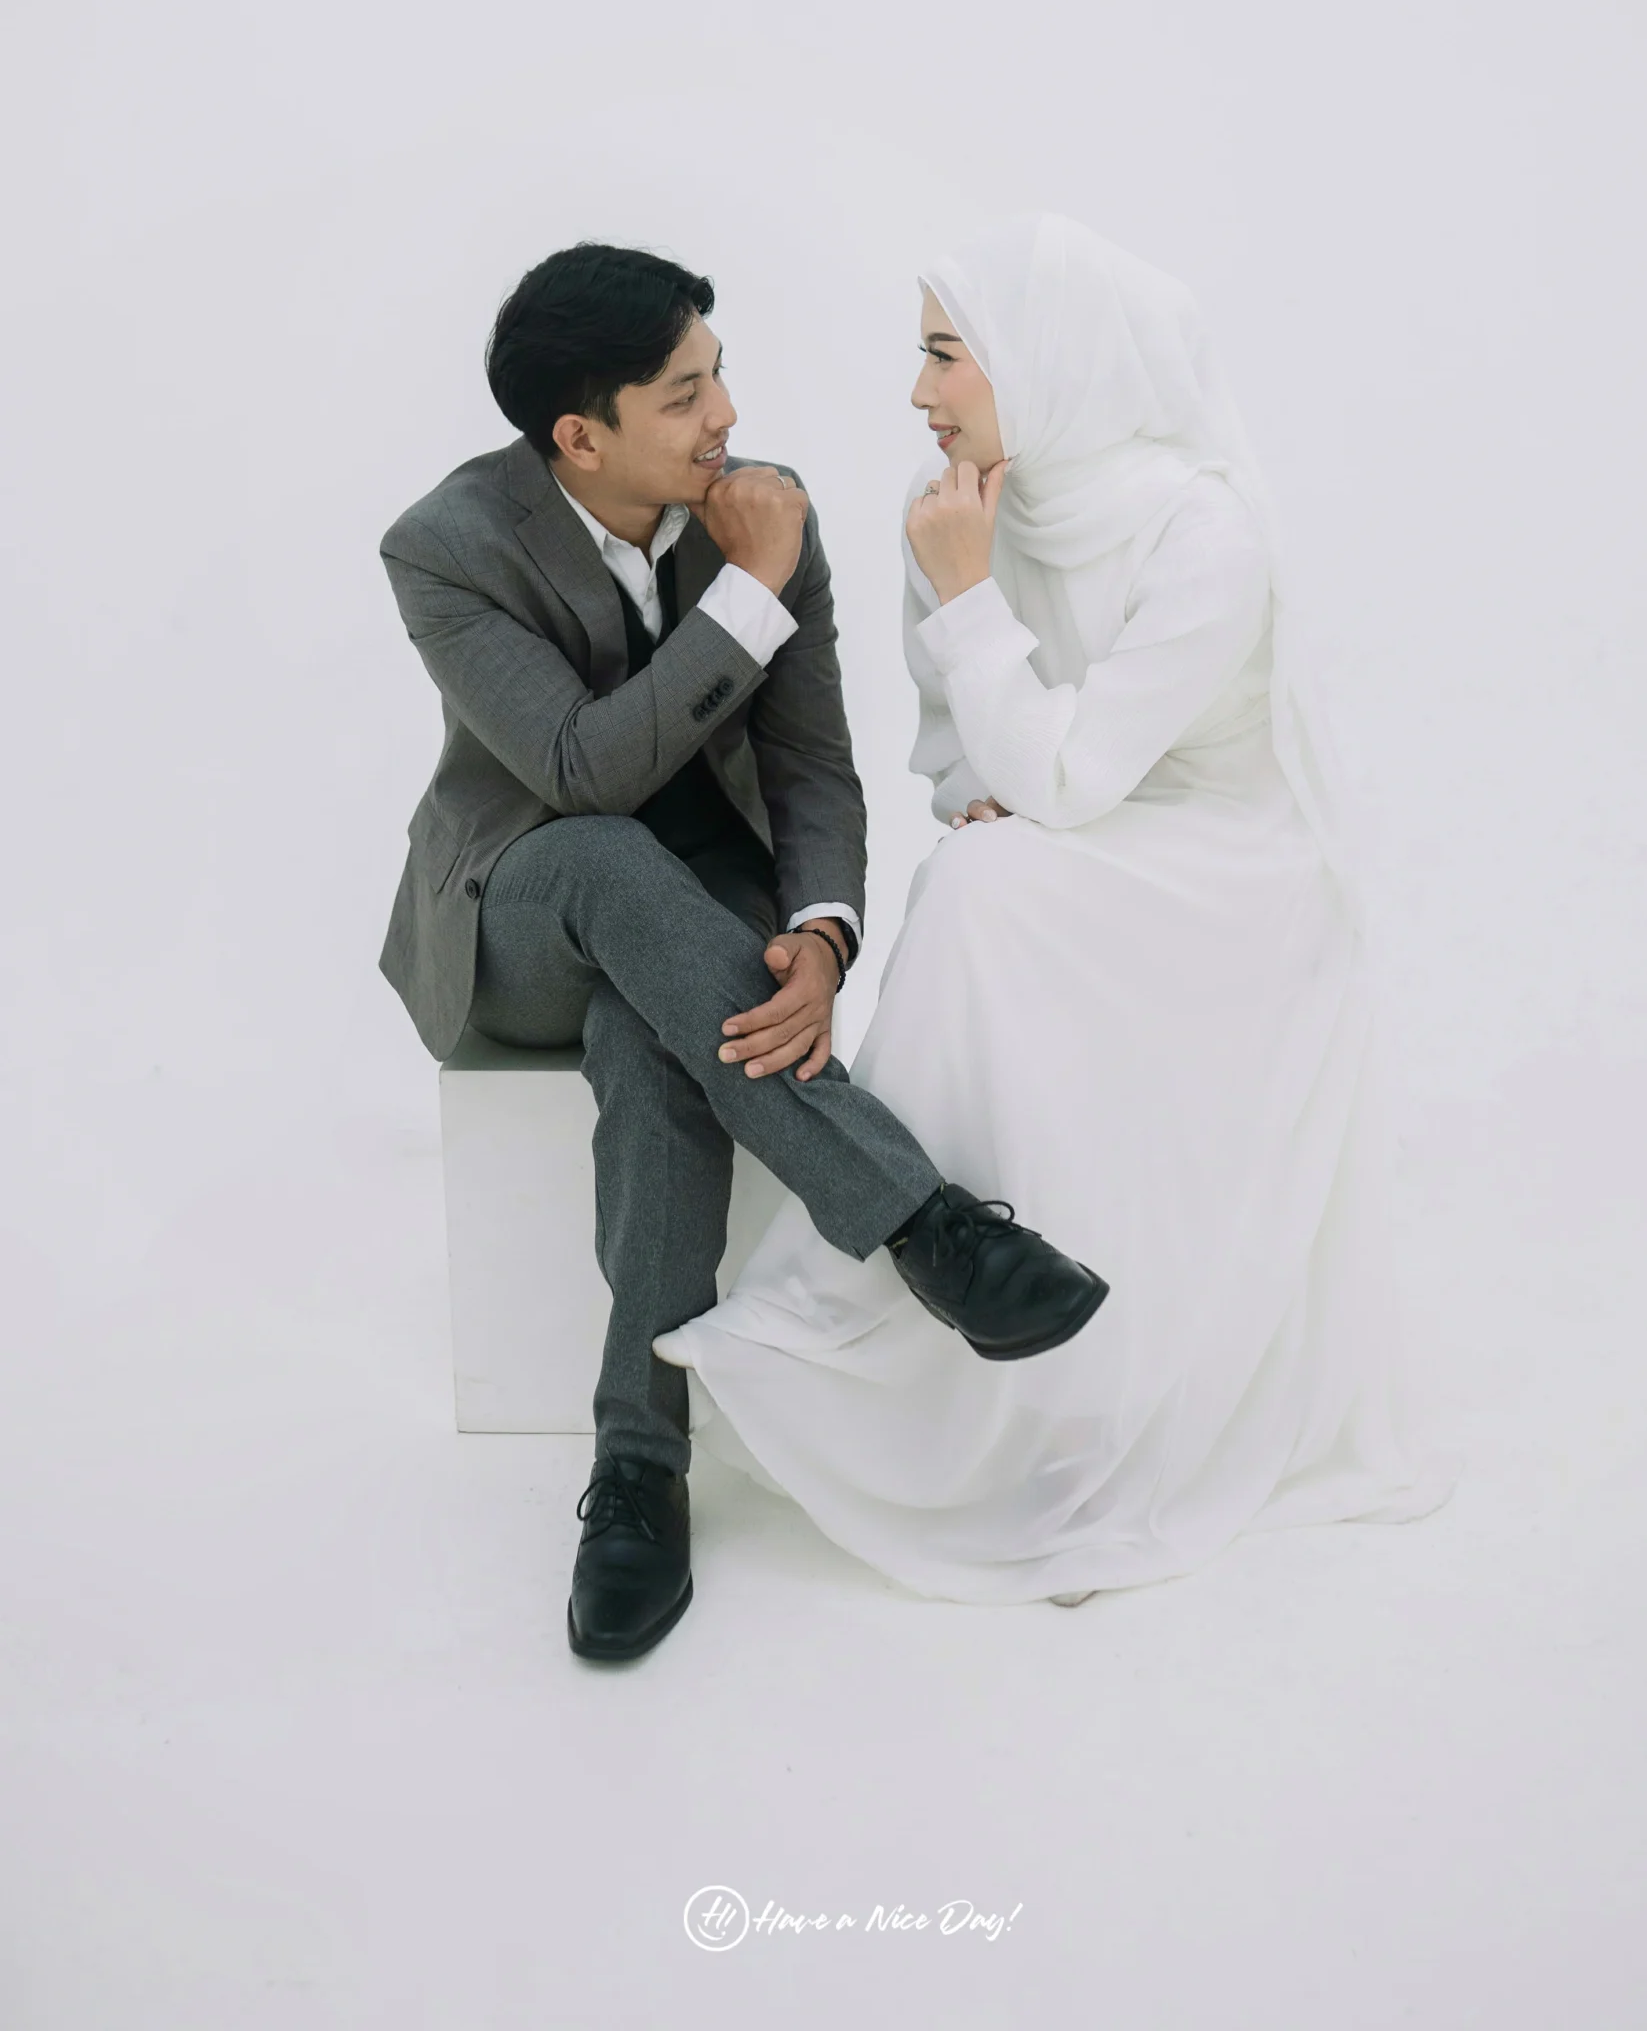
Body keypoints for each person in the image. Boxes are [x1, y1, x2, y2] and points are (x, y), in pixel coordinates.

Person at [656, 213, 1455, 1603]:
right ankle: (965, 1291)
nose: (919, 391)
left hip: (1228, 866)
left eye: (944, 354)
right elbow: (958, 759)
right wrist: (995, 773)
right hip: (1071, 834)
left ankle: (874, 1275)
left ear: (1048, 359)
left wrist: (974, 605)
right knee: (978, 877)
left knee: (986, 886)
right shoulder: (953, 507)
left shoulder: (1202, 530)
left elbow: (1073, 777)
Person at [377, 241, 1110, 1662]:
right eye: (684, 396)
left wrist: (821, 936)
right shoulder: (447, 547)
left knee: (658, 1031)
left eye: (720, 377)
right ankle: (928, 1226)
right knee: (608, 859)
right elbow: (580, 772)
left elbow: (814, 770)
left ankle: (639, 1470)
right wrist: (749, 593)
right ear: (578, 436)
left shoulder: (764, 507)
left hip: (695, 922)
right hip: (519, 907)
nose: (726, 418)